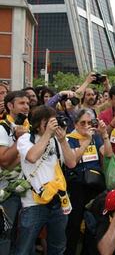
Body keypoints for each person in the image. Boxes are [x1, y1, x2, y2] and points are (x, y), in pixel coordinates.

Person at [15, 105, 77, 254]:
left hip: (58, 200)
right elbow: (31, 157)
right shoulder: (25, 138)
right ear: (38, 123)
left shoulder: (57, 139)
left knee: (58, 246)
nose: (53, 125)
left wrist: (62, 141)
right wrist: (47, 134)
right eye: (49, 122)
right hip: (33, 202)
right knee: (25, 248)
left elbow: (71, 163)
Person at [64, 109, 114, 255]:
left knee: (93, 222)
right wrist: (85, 142)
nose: (86, 126)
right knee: (74, 223)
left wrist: (104, 135)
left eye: (89, 122)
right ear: (75, 124)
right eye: (82, 123)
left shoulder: (96, 137)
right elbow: (73, 160)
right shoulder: (69, 138)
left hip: (95, 185)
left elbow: (108, 154)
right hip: (77, 185)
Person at [0, 91, 30, 255]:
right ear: (10, 106)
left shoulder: (29, 127)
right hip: (7, 193)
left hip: (27, 190)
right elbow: (4, 161)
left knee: (25, 235)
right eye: (21, 103)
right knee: (6, 233)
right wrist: (19, 140)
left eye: (27, 103)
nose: (26, 107)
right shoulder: (2, 128)